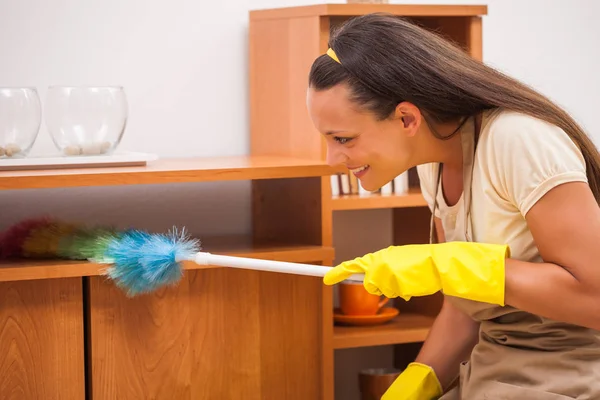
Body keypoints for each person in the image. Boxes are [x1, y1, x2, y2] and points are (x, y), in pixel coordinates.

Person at [306, 12, 600, 400]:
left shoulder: (518, 140)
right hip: (493, 373)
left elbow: (594, 297)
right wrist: (418, 380)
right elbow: (466, 309)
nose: (331, 159)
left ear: (406, 118)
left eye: (343, 139)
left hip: (573, 375)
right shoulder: (434, 164)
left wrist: (448, 265)